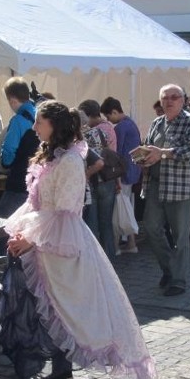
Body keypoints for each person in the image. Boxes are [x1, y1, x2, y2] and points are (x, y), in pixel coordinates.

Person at [0, 101, 155, 379]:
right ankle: (61, 372)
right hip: (47, 240)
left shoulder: (69, 160)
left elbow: (64, 210)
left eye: (40, 122)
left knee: (64, 308)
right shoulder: (51, 157)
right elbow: (35, 203)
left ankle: (60, 376)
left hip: (62, 245)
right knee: (54, 306)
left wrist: (29, 238)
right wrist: (20, 230)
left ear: (54, 126)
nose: (34, 127)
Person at [139, 84, 190, 296]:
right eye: (165, 97)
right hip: (156, 185)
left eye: (174, 97)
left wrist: (162, 153)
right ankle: (169, 269)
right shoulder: (157, 122)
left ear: (183, 100)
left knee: (180, 236)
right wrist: (143, 158)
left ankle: (179, 280)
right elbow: (149, 148)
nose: (169, 101)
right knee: (150, 228)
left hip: (180, 188)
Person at [100, 96, 142, 253]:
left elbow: (116, 155)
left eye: (108, 116)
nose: (108, 120)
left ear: (114, 111)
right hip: (132, 172)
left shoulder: (120, 128)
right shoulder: (131, 124)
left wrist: (116, 178)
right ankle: (131, 243)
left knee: (118, 209)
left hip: (123, 173)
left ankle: (116, 245)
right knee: (126, 208)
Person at [78, 99, 117, 260]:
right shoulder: (106, 130)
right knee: (107, 224)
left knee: (92, 225)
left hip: (92, 182)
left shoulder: (83, 136)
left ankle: (96, 261)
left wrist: (86, 174)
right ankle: (110, 259)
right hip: (108, 180)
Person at [0, 77, 38, 219]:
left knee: (2, 225)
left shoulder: (18, 121)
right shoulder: (39, 114)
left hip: (19, 182)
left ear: (12, 100)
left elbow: (9, 151)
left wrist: (5, 162)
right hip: (37, 180)